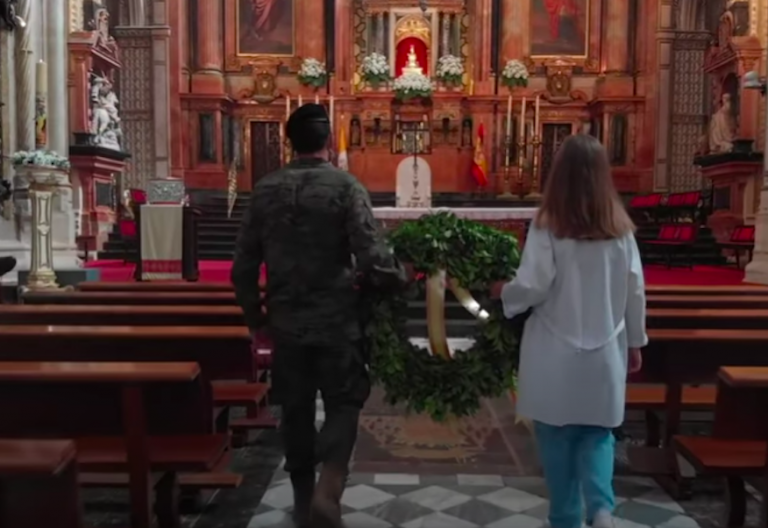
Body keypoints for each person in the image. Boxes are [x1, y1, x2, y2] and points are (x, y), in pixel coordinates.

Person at [231, 103, 406, 528]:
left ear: (290, 142)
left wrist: (256, 321)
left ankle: (303, 497)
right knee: (344, 403)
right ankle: (331, 484)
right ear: (329, 141)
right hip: (338, 321)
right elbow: (372, 258)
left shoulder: (265, 190)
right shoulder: (346, 188)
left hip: (287, 323)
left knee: (296, 409)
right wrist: (401, 278)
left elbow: (243, 267)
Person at [495, 134, 647, 528]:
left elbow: (534, 284)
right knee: (598, 434)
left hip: (554, 350)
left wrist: (504, 294)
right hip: (605, 350)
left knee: (556, 437)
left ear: (558, 174)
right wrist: (635, 341)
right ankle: (601, 509)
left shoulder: (549, 225)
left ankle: (565, 517)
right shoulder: (621, 229)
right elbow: (635, 289)